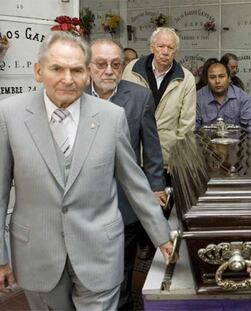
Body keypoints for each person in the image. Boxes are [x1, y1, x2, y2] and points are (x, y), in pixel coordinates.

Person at [0, 31, 172, 310]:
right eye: (57, 68)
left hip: (100, 253)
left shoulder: (110, 117)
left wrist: (161, 235)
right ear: (39, 71)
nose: (68, 79)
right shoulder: (10, 115)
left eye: (77, 70)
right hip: (38, 255)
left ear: (86, 72)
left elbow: (134, 182)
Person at [86, 38, 166, 310]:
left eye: (115, 64)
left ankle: (122, 304)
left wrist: (156, 187)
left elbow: (152, 149)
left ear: (123, 67)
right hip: (83, 202)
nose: (109, 70)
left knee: (121, 267)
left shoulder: (140, 96)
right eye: (101, 64)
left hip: (124, 199)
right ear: (88, 67)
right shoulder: (75, 93)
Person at [123, 27, 196, 185]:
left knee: (161, 206)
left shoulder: (186, 79)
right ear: (151, 47)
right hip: (133, 154)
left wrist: (178, 157)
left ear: (175, 51)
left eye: (170, 48)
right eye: (161, 46)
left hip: (165, 158)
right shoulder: (132, 70)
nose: (165, 52)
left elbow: (187, 125)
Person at [196, 60, 251, 133]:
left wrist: (244, 143)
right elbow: (193, 128)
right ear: (207, 79)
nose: (217, 81)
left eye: (221, 76)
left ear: (229, 78)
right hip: (206, 143)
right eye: (212, 77)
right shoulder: (199, 97)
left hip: (236, 143)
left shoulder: (242, 98)